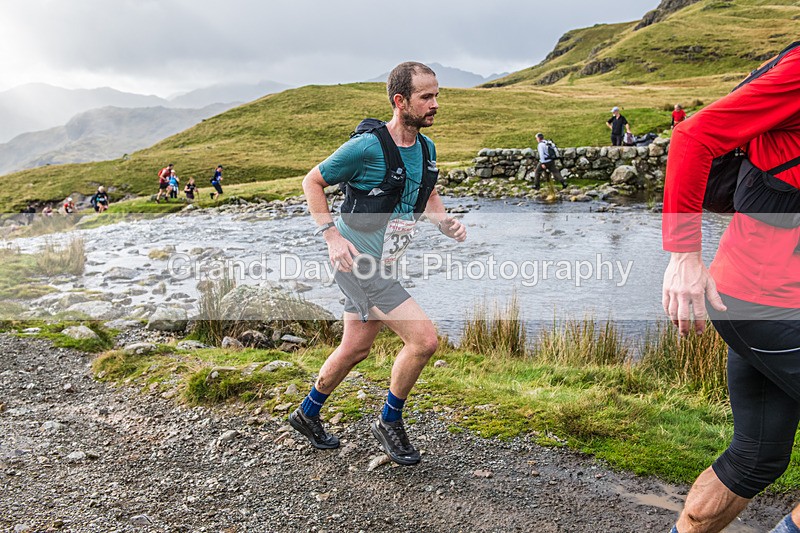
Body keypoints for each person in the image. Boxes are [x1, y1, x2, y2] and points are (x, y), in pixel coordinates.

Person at [292, 62, 466, 466]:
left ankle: (307, 412)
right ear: (400, 100)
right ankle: (389, 422)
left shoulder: (426, 148)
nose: (435, 104)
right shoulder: (367, 147)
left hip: (385, 264)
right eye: (426, 96)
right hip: (357, 263)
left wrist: (445, 223)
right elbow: (311, 182)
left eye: (437, 95)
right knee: (423, 340)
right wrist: (331, 237)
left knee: (355, 347)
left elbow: (428, 191)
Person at [662, 44, 800, 533]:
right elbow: (693, 136)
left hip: (767, 300)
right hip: (765, 300)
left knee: (756, 457)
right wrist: (684, 255)